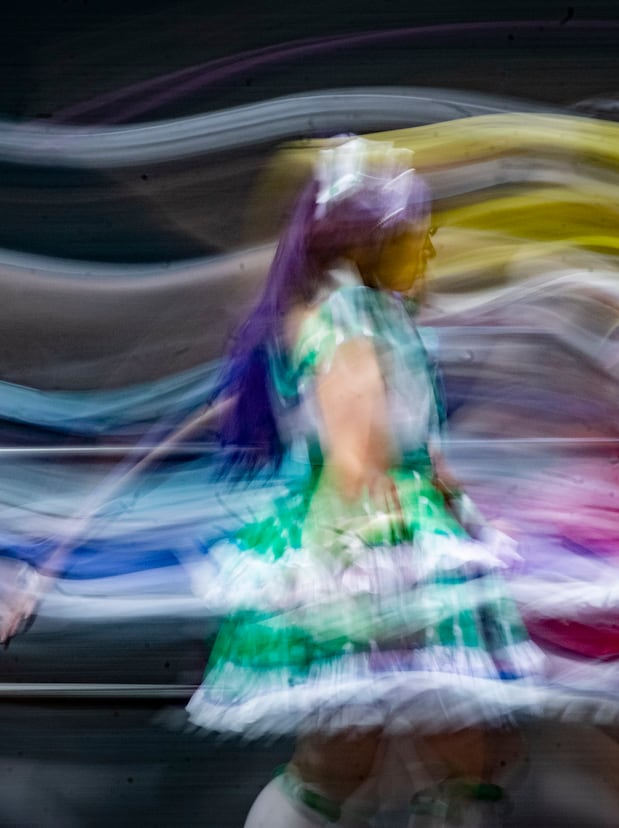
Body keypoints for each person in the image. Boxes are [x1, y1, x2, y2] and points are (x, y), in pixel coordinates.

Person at [185, 138, 542, 827]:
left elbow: (417, 451)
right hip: (377, 551)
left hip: (386, 544)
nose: (429, 250)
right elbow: (357, 458)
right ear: (373, 240)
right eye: (417, 236)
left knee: (365, 763)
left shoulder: (376, 315)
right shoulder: (348, 314)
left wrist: (471, 517)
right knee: (442, 759)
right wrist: (374, 562)